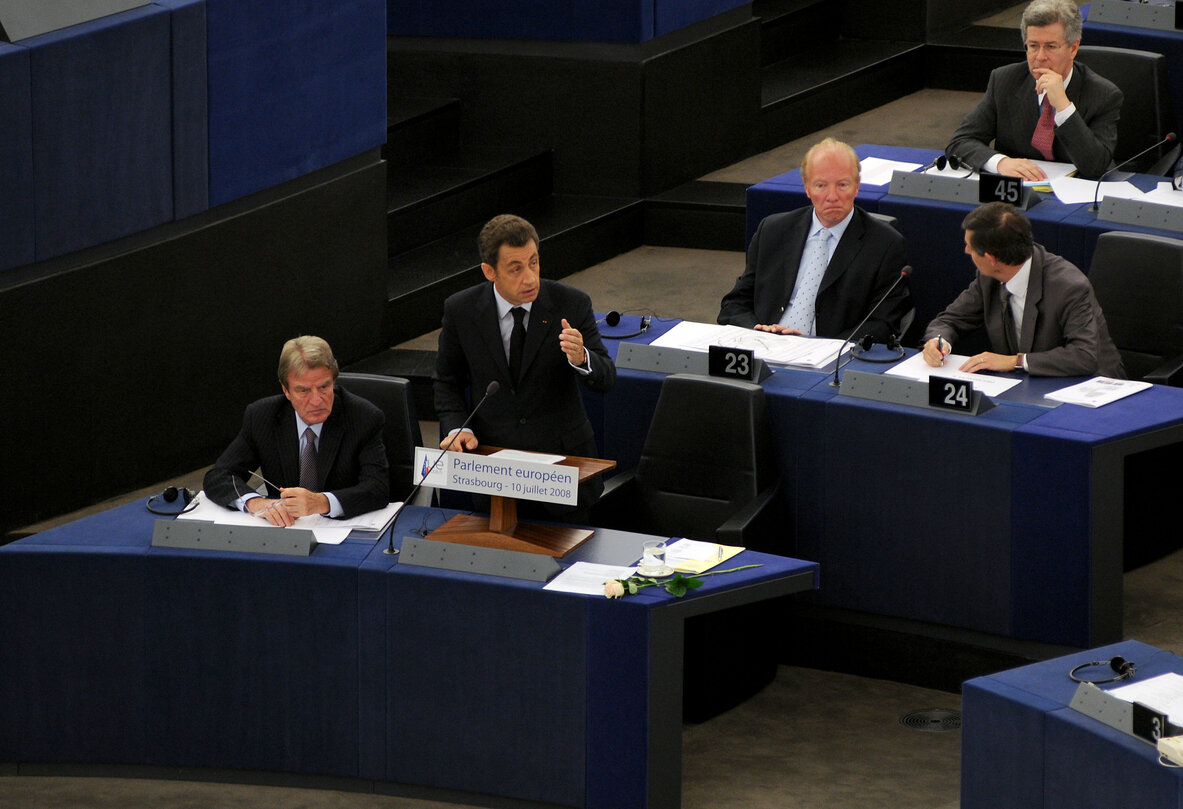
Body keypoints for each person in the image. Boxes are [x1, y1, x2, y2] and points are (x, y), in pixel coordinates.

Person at [433, 214, 616, 519]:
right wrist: (457, 426)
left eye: (533, 263)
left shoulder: (570, 304)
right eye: (515, 269)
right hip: (494, 472)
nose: (530, 278)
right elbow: (446, 380)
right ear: (489, 271)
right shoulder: (461, 310)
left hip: (562, 472)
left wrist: (582, 358)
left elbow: (607, 378)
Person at [717, 137, 911, 344]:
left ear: (856, 187)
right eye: (821, 185)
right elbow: (734, 304)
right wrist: (756, 332)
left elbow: (883, 323)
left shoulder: (885, 244)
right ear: (807, 189)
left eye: (842, 185)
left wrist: (823, 348)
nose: (832, 196)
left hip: (829, 358)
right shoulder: (773, 231)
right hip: (765, 347)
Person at [921, 202, 1124, 378]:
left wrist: (1015, 361)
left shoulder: (1069, 287)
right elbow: (950, 320)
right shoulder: (988, 278)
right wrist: (938, 341)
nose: (966, 251)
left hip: (1088, 386)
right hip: (1032, 383)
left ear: (991, 259)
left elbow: (1084, 356)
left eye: (970, 247)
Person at [203, 336, 389, 525]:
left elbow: (378, 488)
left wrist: (322, 502)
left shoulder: (364, 417)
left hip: (341, 529)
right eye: (304, 391)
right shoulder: (262, 416)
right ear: (286, 391)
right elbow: (219, 476)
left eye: (324, 387)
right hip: (285, 530)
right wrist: (256, 502)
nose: (317, 400)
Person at [946, 0, 1122, 181]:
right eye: (1033, 46)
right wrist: (1001, 162)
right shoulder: (1005, 80)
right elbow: (961, 141)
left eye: (1051, 47)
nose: (1040, 57)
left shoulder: (1104, 95)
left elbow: (1096, 166)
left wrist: (1063, 106)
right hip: (1017, 191)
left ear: (1073, 48)